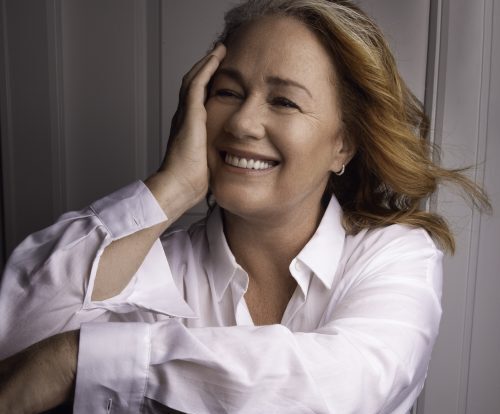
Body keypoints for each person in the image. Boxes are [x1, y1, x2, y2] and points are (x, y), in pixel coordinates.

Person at [0, 0, 490, 413]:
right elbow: (17, 350)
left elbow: (345, 386)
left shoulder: (396, 254)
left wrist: (80, 358)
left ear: (343, 145)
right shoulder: (152, 263)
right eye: (228, 92)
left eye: (284, 102)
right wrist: (171, 187)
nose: (242, 123)